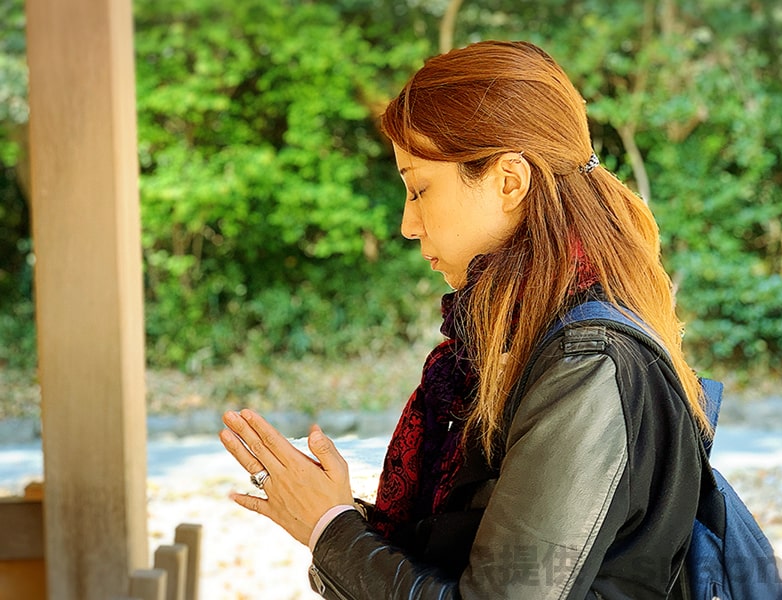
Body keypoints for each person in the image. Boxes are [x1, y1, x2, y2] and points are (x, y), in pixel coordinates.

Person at [220, 40, 712, 599]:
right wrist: (333, 518)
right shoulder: (514, 345)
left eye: (419, 189)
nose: (408, 224)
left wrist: (330, 529)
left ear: (509, 181)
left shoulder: (587, 363)